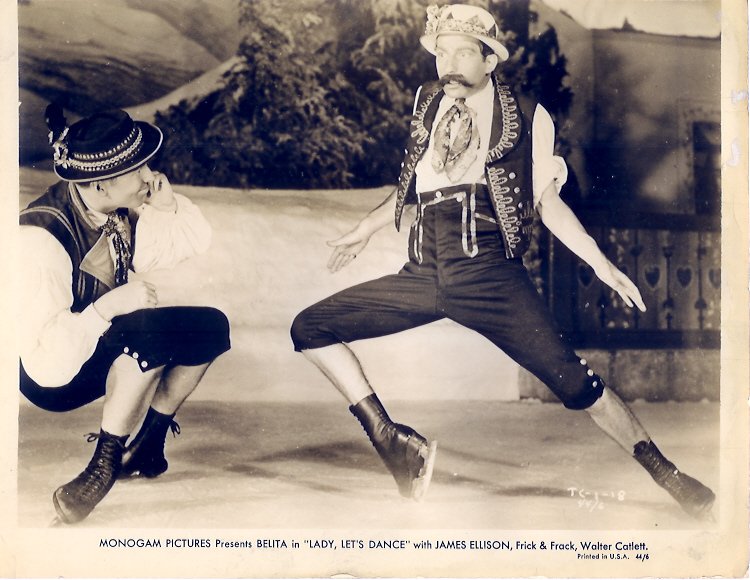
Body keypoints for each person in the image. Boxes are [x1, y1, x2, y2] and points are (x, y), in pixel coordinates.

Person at [291, 4, 715, 518]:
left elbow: (547, 204)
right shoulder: (427, 103)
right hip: (424, 272)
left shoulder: (528, 115)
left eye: (462, 53)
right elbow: (415, 188)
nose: (448, 65)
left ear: (490, 60)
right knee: (309, 328)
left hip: (491, 277)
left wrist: (600, 263)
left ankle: (670, 476)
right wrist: (366, 226)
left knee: (578, 384)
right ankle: (390, 438)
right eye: (441, 53)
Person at [20, 106, 231, 524]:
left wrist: (166, 207)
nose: (150, 177)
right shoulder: (40, 238)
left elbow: (162, 252)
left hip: (97, 345)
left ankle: (148, 446)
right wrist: (110, 307)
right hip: (50, 374)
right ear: (101, 182)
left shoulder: (113, 209)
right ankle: (103, 467)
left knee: (210, 327)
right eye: (138, 170)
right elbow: (44, 356)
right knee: (147, 334)